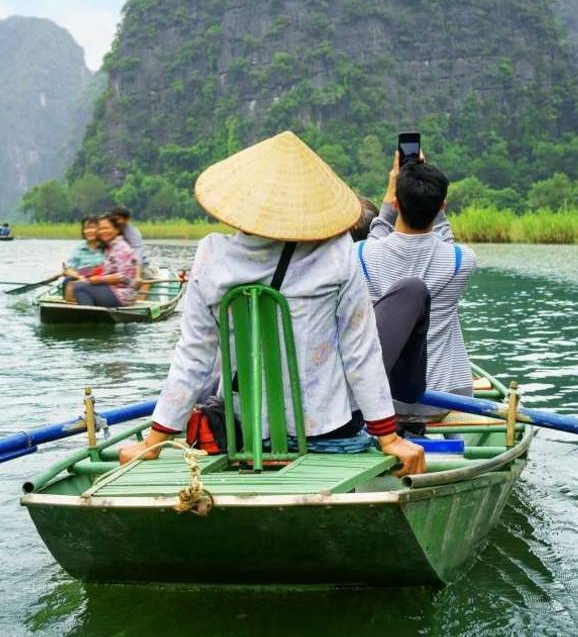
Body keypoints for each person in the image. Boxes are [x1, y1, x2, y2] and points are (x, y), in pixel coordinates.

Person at [117, 131, 426, 477]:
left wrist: (153, 442)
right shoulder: (338, 254)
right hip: (329, 430)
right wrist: (388, 437)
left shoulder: (212, 255)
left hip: (243, 431)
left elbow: (194, 356)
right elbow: (361, 350)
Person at [358, 149, 476, 422]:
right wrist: (430, 198)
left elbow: (379, 231)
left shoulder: (361, 255)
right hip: (440, 402)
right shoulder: (463, 260)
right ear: (442, 207)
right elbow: (445, 241)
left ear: (396, 204)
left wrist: (393, 188)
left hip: (383, 403)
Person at [66, 213, 138, 307]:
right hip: (110, 288)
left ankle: (88, 315)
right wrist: (83, 276)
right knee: (72, 283)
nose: (103, 232)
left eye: (107, 228)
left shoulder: (121, 247)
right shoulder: (110, 247)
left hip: (123, 294)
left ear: (116, 229)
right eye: (100, 229)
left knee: (80, 288)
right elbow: (103, 270)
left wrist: (98, 279)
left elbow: (123, 276)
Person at [61, 216, 106, 303]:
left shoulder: (106, 246)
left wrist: (93, 272)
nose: (89, 231)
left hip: (102, 280)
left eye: (92, 227)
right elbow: (68, 269)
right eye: (86, 228)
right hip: (82, 277)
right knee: (67, 281)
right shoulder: (80, 248)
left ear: (99, 229)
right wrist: (80, 276)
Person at [108, 205, 148, 275]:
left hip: (135, 264)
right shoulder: (108, 230)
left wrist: (137, 274)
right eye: (113, 219)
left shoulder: (133, 234)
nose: (115, 222)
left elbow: (138, 254)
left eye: (118, 219)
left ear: (126, 219)